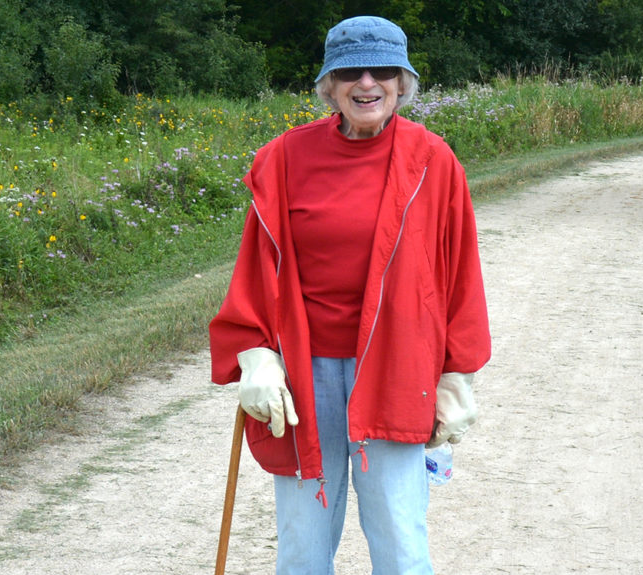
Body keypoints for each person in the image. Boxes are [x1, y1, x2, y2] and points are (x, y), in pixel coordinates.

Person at [209, 15, 491, 575]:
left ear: (403, 81)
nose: (367, 83)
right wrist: (256, 354)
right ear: (329, 85)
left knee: (400, 538)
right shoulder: (284, 159)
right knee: (302, 542)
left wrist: (457, 374)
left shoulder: (433, 161)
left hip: (395, 369)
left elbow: (460, 274)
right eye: (350, 71)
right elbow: (256, 268)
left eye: (383, 69)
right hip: (303, 379)